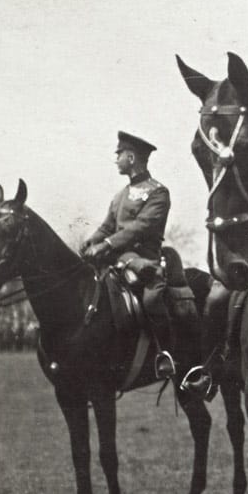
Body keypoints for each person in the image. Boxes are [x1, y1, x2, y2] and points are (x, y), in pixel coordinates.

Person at [81, 131, 176, 379]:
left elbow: (141, 227)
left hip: (144, 261)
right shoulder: (120, 196)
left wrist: (107, 244)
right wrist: (92, 240)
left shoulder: (158, 192)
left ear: (131, 157)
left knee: (152, 301)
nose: (116, 159)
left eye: (119, 154)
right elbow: (107, 226)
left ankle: (165, 354)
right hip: (117, 261)